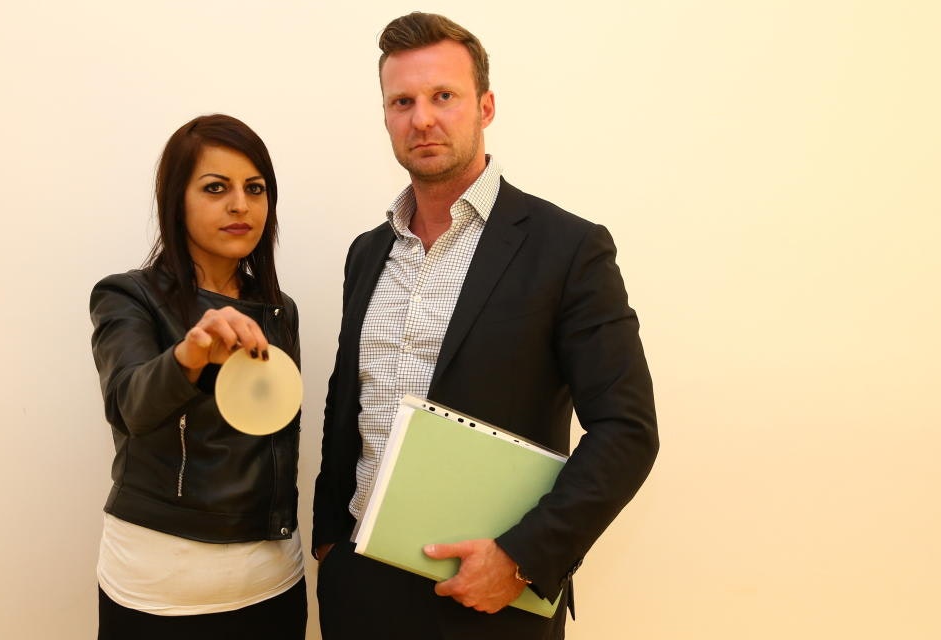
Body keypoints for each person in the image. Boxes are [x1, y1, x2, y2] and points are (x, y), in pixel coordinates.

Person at [312, 12, 659, 640]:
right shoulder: (367, 253)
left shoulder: (568, 249)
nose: (422, 118)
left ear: (485, 106)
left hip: (491, 596)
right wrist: (329, 540)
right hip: (360, 589)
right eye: (402, 102)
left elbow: (627, 430)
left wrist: (522, 559)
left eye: (443, 96)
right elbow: (348, 400)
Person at [88, 114, 305, 639]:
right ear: (175, 201)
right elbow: (130, 404)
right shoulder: (128, 296)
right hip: (158, 589)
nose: (240, 205)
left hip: (273, 580)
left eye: (255, 189)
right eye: (215, 188)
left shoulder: (279, 309)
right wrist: (188, 355)